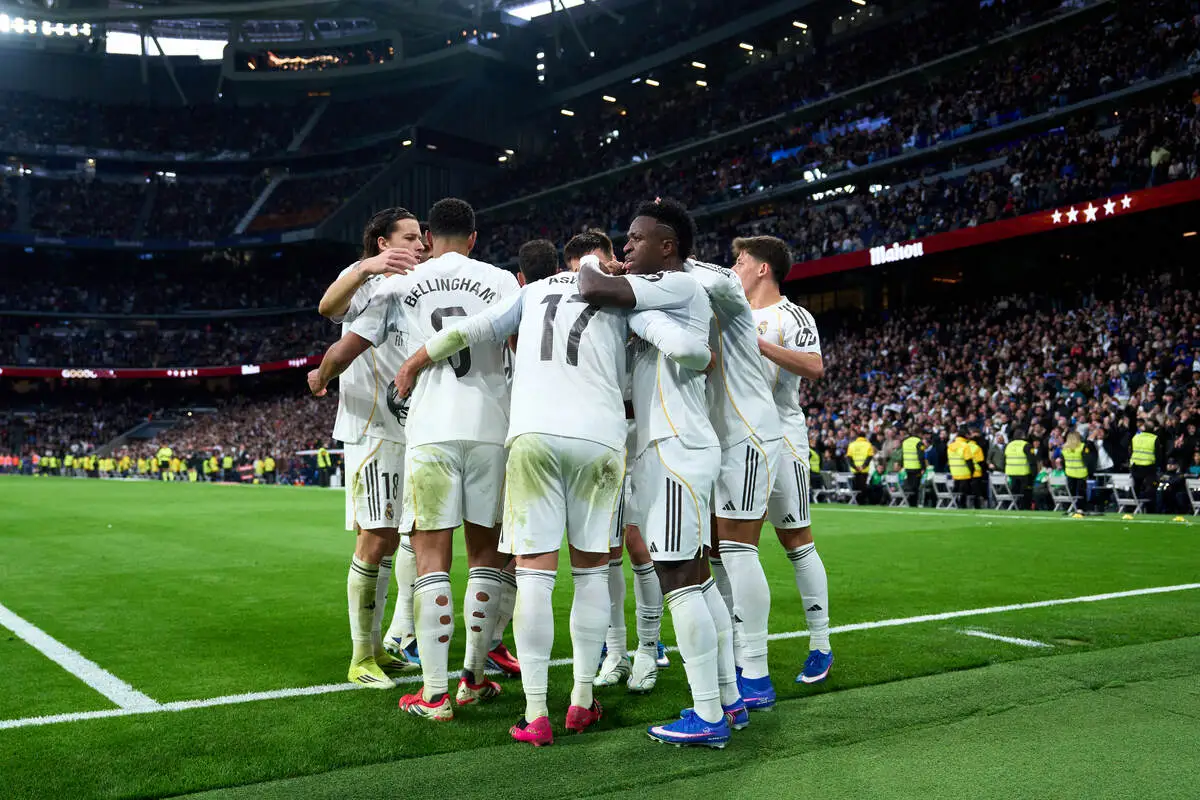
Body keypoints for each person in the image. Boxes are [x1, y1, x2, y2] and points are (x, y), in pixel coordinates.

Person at [396, 235, 709, 745]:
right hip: (600, 441)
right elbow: (689, 350)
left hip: (532, 437)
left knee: (536, 576)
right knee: (590, 574)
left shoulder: (532, 291)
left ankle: (536, 713)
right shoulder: (618, 294)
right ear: (600, 261)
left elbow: (471, 329)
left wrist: (412, 363)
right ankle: (582, 702)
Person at [339, 197, 519, 721]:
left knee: (431, 558)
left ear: (429, 236)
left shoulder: (401, 283)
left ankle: (435, 694)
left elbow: (333, 313)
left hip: (429, 429)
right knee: (486, 555)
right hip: (491, 427)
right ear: (473, 237)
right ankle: (474, 679)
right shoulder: (501, 279)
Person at [578, 198, 734, 748]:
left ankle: (709, 714)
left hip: (675, 447)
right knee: (696, 578)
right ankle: (729, 700)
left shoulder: (676, 283)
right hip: (672, 446)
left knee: (677, 580)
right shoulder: (667, 294)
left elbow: (592, 289)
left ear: (667, 246)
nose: (625, 249)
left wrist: (595, 267)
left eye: (635, 239)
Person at [309, 206, 422, 687]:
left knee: (393, 536)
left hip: (407, 426)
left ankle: (377, 646)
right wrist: (365, 269)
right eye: (411, 237)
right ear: (383, 242)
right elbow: (328, 309)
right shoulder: (366, 281)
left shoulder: (419, 286)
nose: (421, 244)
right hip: (371, 424)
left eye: (423, 237)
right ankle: (361, 657)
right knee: (375, 537)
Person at [681, 249, 783, 714]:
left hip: (748, 435)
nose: (736, 266)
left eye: (742, 260)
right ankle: (737, 657)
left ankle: (757, 672)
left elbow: (714, 277)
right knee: (718, 553)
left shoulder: (727, 291)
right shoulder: (704, 297)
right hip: (720, 439)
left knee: (740, 550)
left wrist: (677, 259)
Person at [734, 235, 833, 685]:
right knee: (734, 548)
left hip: (784, 437)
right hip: (737, 441)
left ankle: (820, 643)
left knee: (797, 541)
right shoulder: (730, 312)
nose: (734, 266)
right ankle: (744, 650)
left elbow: (814, 368)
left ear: (762, 269)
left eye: (740, 260)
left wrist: (762, 346)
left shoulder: (792, 315)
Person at [1005, 428, 1034, 510]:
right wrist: (1034, 474)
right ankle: (1026, 508)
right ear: (1023, 436)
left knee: (1015, 493)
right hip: (1023, 473)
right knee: (1025, 493)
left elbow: (1005, 459)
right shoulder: (1026, 445)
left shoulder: (1009, 445)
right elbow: (1032, 461)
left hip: (1011, 473)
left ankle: (1015, 508)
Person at [1061, 430, 1089, 511]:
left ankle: (1070, 508)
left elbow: (1062, 461)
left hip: (1069, 473)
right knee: (1081, 493)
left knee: (1071, 492)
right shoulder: (1082, 446)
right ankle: (1081, 509)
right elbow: (1086, 460)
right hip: (1081, 473)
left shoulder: (1064, 448)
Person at [946, 427, 974, 508]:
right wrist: (972, 471)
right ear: (965, 435)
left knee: (956, 489)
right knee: (963, 492)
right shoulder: (965, 446)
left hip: (954, 472)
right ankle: (962, 505)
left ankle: (954, 504)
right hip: (964, 472)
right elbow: (968, 460)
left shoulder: (950, 446)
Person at [846, 431, 874, 502]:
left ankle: (856, 500)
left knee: (856, 486)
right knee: (863, 486)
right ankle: (862, 501)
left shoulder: (851, 445)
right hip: (864, 470)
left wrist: (855, 467)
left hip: (855, 470)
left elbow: (849, 458)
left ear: (857, 436)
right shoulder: (868, 445)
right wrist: (863, 466)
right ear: (865, 437)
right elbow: (869, 457)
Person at [900, 426, 925, 506]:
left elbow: (902, 455)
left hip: (907, 467)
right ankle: (913, 504)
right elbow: (921, 456)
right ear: (920, 433)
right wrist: (923, 467)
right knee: (915, 487)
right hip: (916, 467)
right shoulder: (919, 442)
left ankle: (909, 503)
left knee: (910, 486)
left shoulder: (905, 441)